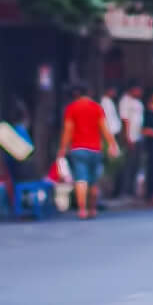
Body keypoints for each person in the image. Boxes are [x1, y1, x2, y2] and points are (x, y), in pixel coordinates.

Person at [58, 81, 114, 219]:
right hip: (95, 149)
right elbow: (104, 128)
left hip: (78, 149)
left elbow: (68, 130)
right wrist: (112, 144)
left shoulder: (71, 108)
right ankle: (93, 209)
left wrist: (63, 148)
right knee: (93, 182)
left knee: (81, 179)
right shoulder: (96, 107)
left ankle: (82, 210)